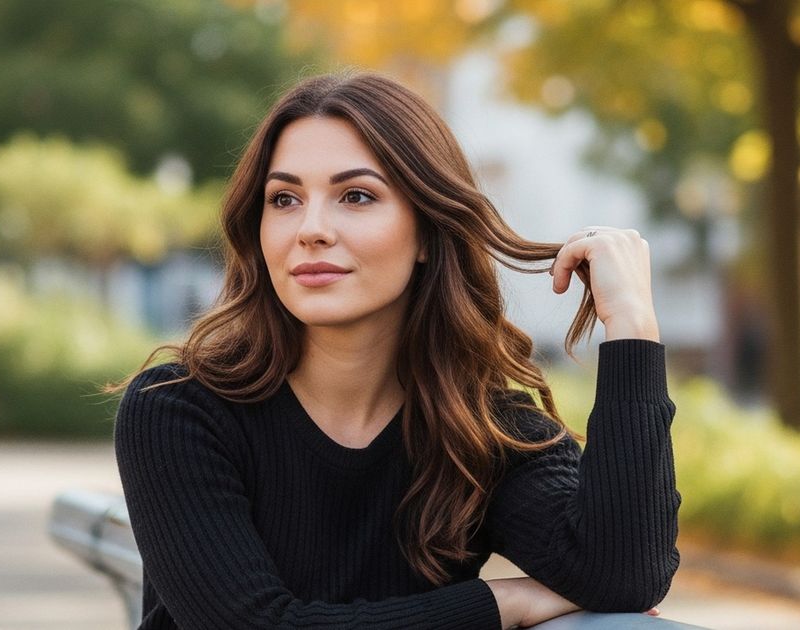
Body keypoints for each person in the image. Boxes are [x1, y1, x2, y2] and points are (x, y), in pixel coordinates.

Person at [112, 71, 680, 629]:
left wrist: (631, 324)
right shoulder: (179, 409)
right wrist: (505, 602)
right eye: (284, 199)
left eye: (355, 196)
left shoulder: (482, 429)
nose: (310, 229)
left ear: (430, 233)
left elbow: (622, 573)